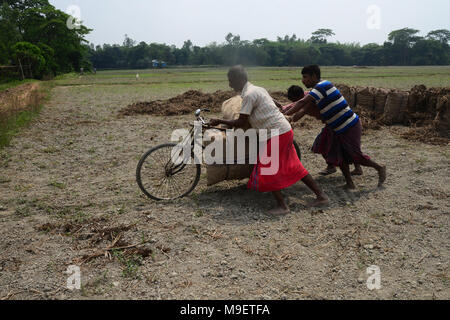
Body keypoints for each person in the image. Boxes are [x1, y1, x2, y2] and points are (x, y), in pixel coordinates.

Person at [209, 65, 329, 215]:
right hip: (284, 130)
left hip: (276, 133)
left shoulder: (249, 95)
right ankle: (321, 196)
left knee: (267, 168)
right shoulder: (258, 89)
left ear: (239, 79)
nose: (230, 84)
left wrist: (219, 121)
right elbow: (275, 103)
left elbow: (240, 122)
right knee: (295, 166)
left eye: (231, 80)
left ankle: (283, 206)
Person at [284, 65, 386, 189]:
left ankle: (379, 168)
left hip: (349, 125)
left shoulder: (322, 86)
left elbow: (301, 103)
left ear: (314, 76)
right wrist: (285, 114)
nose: (303, 80)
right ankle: (349, 183)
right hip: (337, 127)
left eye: (305, 77)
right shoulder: (316, 90)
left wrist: (285, 116)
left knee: (356, 156)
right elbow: (301, 106)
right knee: (341, 157)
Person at [284, 85, 363, 176]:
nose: (294, 102)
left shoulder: (310, 100)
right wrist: (283, 112)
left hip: (337, 122)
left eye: (294, 100)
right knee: (323, 143)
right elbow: (291, 106)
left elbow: (300, 112)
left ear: (299, 96)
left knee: (343, 146)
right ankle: (333, 166)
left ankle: (354, 168)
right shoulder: (305, 98)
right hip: (330, 123)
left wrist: (288, 119)